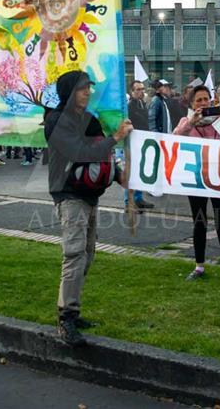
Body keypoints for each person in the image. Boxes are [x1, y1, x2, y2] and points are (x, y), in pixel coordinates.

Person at [45, 70, 133, 346]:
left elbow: (102, 153)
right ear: (70, 91)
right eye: (83, 88)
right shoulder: (56, 120)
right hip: (69, 195)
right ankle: (66, 319)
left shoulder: (88, 119)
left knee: (87, 256)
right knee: (73, 255)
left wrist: (120, 175)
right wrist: (117, 137)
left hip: (90, 195)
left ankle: (70, 307)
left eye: (89, 88)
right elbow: (79, 152)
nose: (88, 92)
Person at [173, 84, 220, 284]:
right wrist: (190, 123)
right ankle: (199, 266)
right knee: (199, 223)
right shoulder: (187, 121)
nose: (203, 103)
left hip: (219, 178)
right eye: (198, 100)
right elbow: (173, 139)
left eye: (205, 99)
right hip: (197, 179)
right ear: (192, 103)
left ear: (212, 100)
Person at [125, 79, 154, 210]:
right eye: (138, 89)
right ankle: (129, 202)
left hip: (143, 142)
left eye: (142, 89)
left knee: (140, 171)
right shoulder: (129, 106)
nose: (141, 91)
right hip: (132, 143)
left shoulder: (142, 103)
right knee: (131, 173)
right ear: (132, 92)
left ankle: (138, 198)